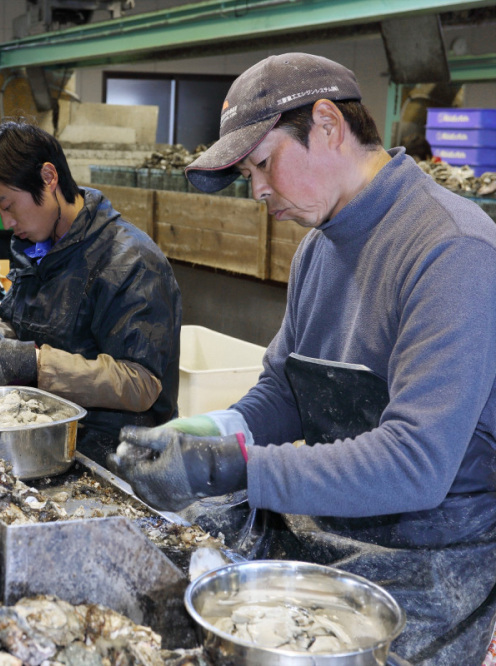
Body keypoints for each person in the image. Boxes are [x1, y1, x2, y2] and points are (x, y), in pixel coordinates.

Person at [111, 53, 496, 664]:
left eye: (263, 163)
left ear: (327, 124)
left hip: (429, 562)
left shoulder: (452, 252)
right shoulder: (319, 248)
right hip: (331, 528)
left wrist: (236, 467)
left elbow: (416, 462)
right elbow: (289, 390)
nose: (259, 190)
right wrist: (220, 430)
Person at [0, 121, 181, 467]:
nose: (7, 223)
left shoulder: (130, 260)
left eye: (8, 206)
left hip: (117, 454)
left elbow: (141, 384)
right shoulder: (36, 247)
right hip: (48, 436)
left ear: (48, 177)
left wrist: (35, 362)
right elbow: (28, 327)